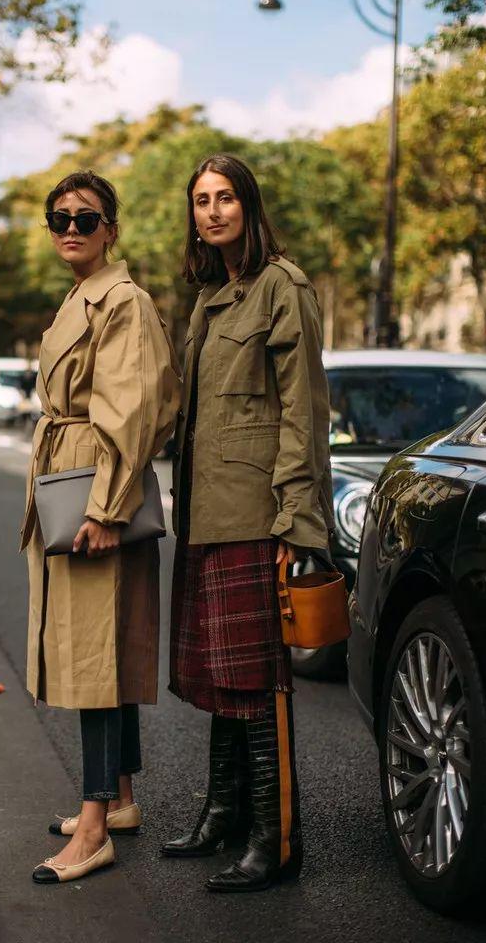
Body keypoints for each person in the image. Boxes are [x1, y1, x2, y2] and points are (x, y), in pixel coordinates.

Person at [163, 154, 334, 893]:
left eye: (226, 197)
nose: (213, 211)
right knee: (220, 673)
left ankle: (275, 839)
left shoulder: (281, 286)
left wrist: (296, 521)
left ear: (249, 206)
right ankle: (223, 813)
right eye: (201, 200)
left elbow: (305, 410)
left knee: (258, 680)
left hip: (258, 511)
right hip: (206, 511)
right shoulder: (210, 296)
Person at [20, 170, 181, 885]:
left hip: (95, 488)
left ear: (111, 229)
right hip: (75, 474)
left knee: (93, 656)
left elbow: (136, 410)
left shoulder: (123, 301)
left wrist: (106, 509)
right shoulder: (81, 297)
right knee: (99, 645)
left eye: (86, 218)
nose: (71, 229)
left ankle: (93, 831)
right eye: (60, 218)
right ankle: (117, 800)